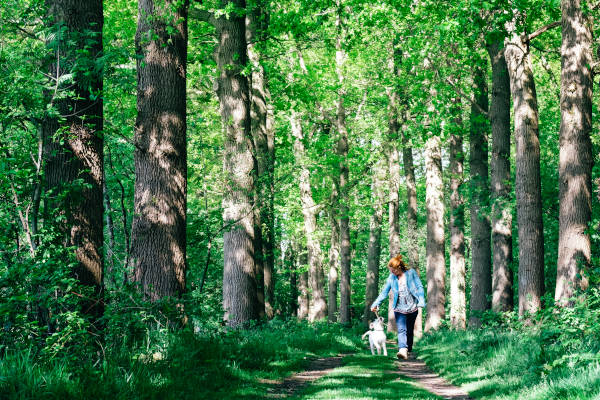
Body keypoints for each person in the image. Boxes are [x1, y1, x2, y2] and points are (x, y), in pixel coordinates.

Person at [370, 254, 425, 360]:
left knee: (409, 330)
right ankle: (402, 349)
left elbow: (419, 286)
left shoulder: (411, 273)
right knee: (401, 330)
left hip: (413, 307)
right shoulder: (391, 278)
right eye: (391, 270)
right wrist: (375, 304)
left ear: (399, 267)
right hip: (399, 308)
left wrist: (421, 300)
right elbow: (384, 292)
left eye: (393, 270)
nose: (392, 272)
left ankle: (408, 349)